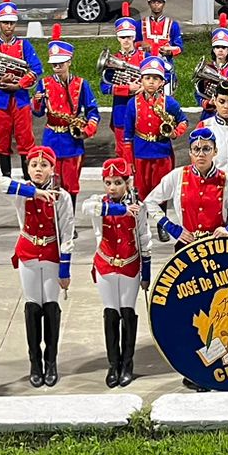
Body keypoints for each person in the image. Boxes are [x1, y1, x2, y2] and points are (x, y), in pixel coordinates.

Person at [0, 147, 76, 389]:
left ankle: (51, 361)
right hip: (28, 251)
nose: (38, 169)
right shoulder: (22, 191)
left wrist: (65, 269)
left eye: (44, 165)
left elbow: (67, 233)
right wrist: (33, 191)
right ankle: (34, 363)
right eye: (33, 165)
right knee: (32, 305)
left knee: (50, 305)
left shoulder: (61, 196)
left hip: (51, 252)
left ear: (53, 168)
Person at [79, 158, 150, 388]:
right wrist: (121, 209)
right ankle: (113, 364)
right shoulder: (98, 202)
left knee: (127, 312)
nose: (112, 187)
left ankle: (127, 363)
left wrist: (146, 270)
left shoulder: (139, 205)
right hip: (105, 265)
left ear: (127, 183)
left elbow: (144, 237)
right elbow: (86, 208)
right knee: (111, 313)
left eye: (118, 182)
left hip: (130, 265)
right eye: (108, 182)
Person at [143, 128, 228, 249]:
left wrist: (227, 229)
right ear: (190, 152)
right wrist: (172, 228)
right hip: (186, 245)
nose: (201, 154)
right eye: (196, 149)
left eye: (206, 149)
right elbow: (150, 201)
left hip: (218, 247)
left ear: (215, 151)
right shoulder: (177, 176)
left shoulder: (226, 181)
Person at [34, 26, 100, 198]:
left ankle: (69, 223)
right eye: (54, 63)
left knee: (71, 186)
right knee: (51, 184)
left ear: (69, 61)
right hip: (51, 140)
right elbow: (38, 113)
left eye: (60, 62)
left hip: (72, 140)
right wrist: (36, 101)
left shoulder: (80, 84)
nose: (56, 66)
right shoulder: (45, 83)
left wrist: (86, 130)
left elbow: (93, 110)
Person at [0, 0, 45, 179]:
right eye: (5, 23)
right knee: (1, 136)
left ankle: (27, 176)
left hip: (20, 98)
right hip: (1, 98)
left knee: (25, 136)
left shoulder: (24, 45)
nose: (8, 26)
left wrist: (20, 84)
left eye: (11, 22)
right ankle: (6, 175)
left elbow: (37, 68)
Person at [121, 56, 188, 197]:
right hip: (140, 153)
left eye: (155, 78)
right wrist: (128, 160)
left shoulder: (170, 103)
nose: (151, 82)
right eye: (147, 78)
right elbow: (127, 135)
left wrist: (175, 133)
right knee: (141, 194)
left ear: (162, 82)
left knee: (161, 194)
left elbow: (183, 121)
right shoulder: (132, 104)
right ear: (141, 80)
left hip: (162, 153)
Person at [99, 5, 147, 163]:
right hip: (121, 110)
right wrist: (127, 89)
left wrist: (142, 87)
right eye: (122, 37)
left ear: (134, 37)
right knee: (122, 151)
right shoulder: (113, 59)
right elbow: (104, 87)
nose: (126, 40)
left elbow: (160, 79)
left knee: (140, 150)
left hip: (142, 109)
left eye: (129, 37)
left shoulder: (144, 58)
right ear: (118, 38)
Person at [196, 15, 228, 115]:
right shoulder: (208, 68)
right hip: (210, 112)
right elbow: (198, 93)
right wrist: (208, 103)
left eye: (224, 47)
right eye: (217, 47)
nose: (220, 50)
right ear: (213, 49)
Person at [136, 0, 184, 64]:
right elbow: (133, 44)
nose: (156, 4)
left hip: (165, 63)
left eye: (160, 2)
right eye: (153, 2)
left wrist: (169, 51)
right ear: (149, 4)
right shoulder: (140, 24)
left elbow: (179, 47)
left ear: (164, 4)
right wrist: (141, 44)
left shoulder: (173, 25)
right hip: (145, 62)